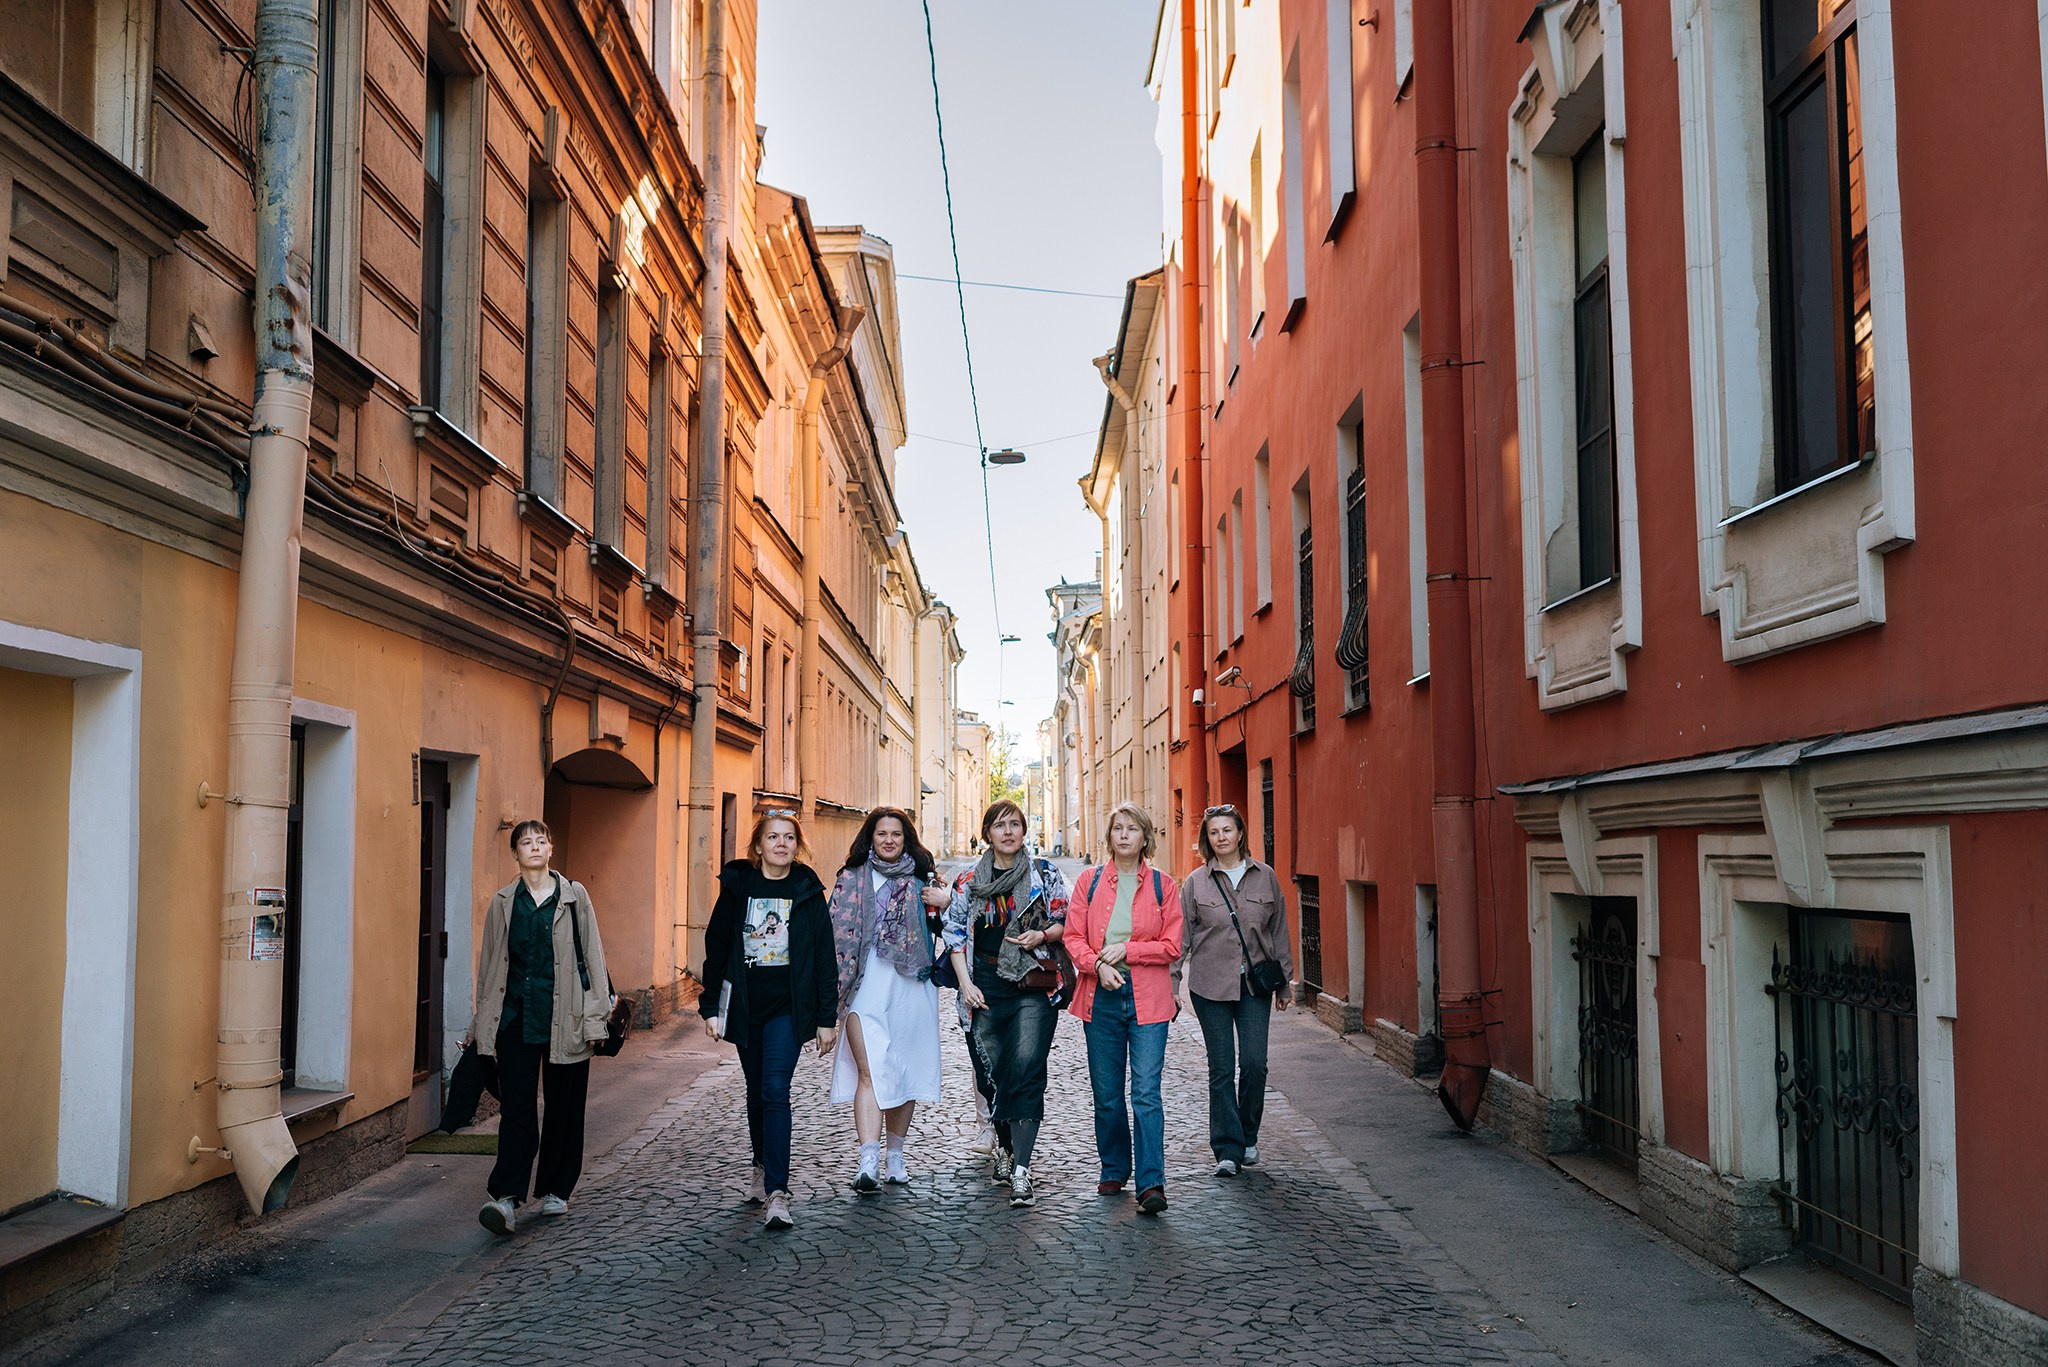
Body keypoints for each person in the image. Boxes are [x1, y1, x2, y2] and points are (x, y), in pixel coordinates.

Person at [468, 820, 614, 1236]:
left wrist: (593, 1019)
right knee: (516, 1109)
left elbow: (594, 957)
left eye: (540, 840)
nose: (534, 847)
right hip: (516, 1018)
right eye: (525, 842)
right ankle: (508, 1196)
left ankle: (555, 1189)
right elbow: (491, 965)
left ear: (551, 847)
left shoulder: (574, 896)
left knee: (564, 1108)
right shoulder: (502, 902)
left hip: (565, 1018)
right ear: (515, 855)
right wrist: (483, 1022)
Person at [699, 810, 839, 1230]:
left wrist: (825, 1017)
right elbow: (717, 947)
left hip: (787, 1009)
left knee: (775, 1090)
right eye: (773, 837)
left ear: (797, 846)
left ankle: (778, 1192)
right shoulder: (738, 888)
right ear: (758, 846)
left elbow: (824, 959)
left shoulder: (807, 891)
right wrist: (710, 1006)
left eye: (789, 838)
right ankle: (760, 1164)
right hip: (744, 1008)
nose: (781, 844)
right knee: (756, 1091)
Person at [940, 799, 1069, 1208]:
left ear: (1024, 830)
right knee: (991, 1073)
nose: (1008, 832)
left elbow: (1067, 918)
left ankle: (1022, 1171)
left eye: (1015, 824)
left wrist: (1045, 936)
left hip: (1032, 984)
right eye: (1000, 825)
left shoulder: (1044, 874)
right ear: (987, 834)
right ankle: (1006, 1148)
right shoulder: (967, 881)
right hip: (983, 985)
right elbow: (954, 932)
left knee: (1027, 1069)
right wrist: (965, 985)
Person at [1065, 801, 1183, 1215]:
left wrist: (1127, 951)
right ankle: (1114, 1166)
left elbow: (1172, 945)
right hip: (1101, 995)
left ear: (1145, 837)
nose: (1124, 835)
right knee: (1107, 1093)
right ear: (1110, 837)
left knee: (1146, 1092)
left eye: (1133, 829)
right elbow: (1073, 937)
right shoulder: (1089, 882)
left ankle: (1152, 1183)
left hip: (1149, 998)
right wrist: (1097, 965)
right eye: (1118, 828)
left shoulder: (1163, 886)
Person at [826, 807, 950, 1191]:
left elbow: (950, 929)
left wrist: (943, 903)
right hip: (863, 984)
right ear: (871, 837)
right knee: (870, 1070)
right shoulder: (851, 878)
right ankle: (867, 1161)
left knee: (902, 1067)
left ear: (906, 838)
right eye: (882, 833)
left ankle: (895, 1156)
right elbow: (832, 931)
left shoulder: (923, 880)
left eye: (896, 834)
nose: (889, 840)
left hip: (912, 985)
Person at [1179, 803, 1294, 1176]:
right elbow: (1181, 938)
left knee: (1255, 1065)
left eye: (1227, 830)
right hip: (1209, 986)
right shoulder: (1196, 882)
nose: (1221, 838)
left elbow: (1279, 931)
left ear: (1240, 834)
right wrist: (1171, 983)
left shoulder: (1266, 877)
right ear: (1207, 839)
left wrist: (1285, 984)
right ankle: (1227, 1150)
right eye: (1214, 832)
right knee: (1222, 1069)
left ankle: (1247, 1135)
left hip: (1255, 986)